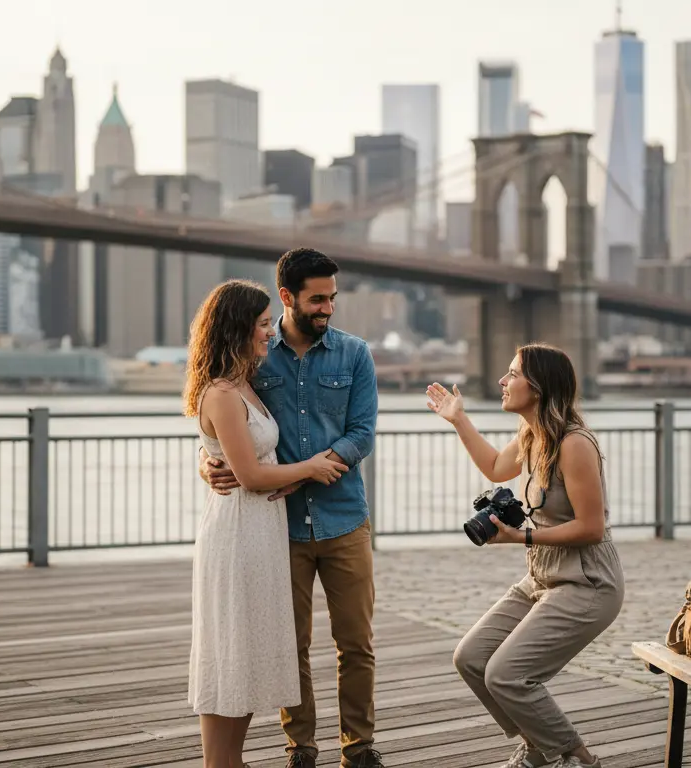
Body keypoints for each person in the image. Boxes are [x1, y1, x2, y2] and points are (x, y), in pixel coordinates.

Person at [198, 248, 383, 768]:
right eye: (317, 299)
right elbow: (225, 420)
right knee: (290, 644)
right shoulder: (256, 353)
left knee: (356, 643)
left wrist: (314, 468)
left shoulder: (355, 354)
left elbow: (362, 433)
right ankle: (300, 748)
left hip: (344, 518)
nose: (328, 308)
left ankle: (358, 747)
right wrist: (206, 462)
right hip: (280, 526)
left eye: (332, 298)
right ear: (287, 296)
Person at [424, 343, 625, 768]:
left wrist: (523, 537)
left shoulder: (574, 444)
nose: (503, 380)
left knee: (506, 674)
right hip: (541, 577)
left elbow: (592, 528)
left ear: (537, 386)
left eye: (513, 374)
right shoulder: (532, 436)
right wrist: (458, 419)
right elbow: (496, 468)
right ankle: (538, 744)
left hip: (588, 582)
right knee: (472, 658)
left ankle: (577, 757)